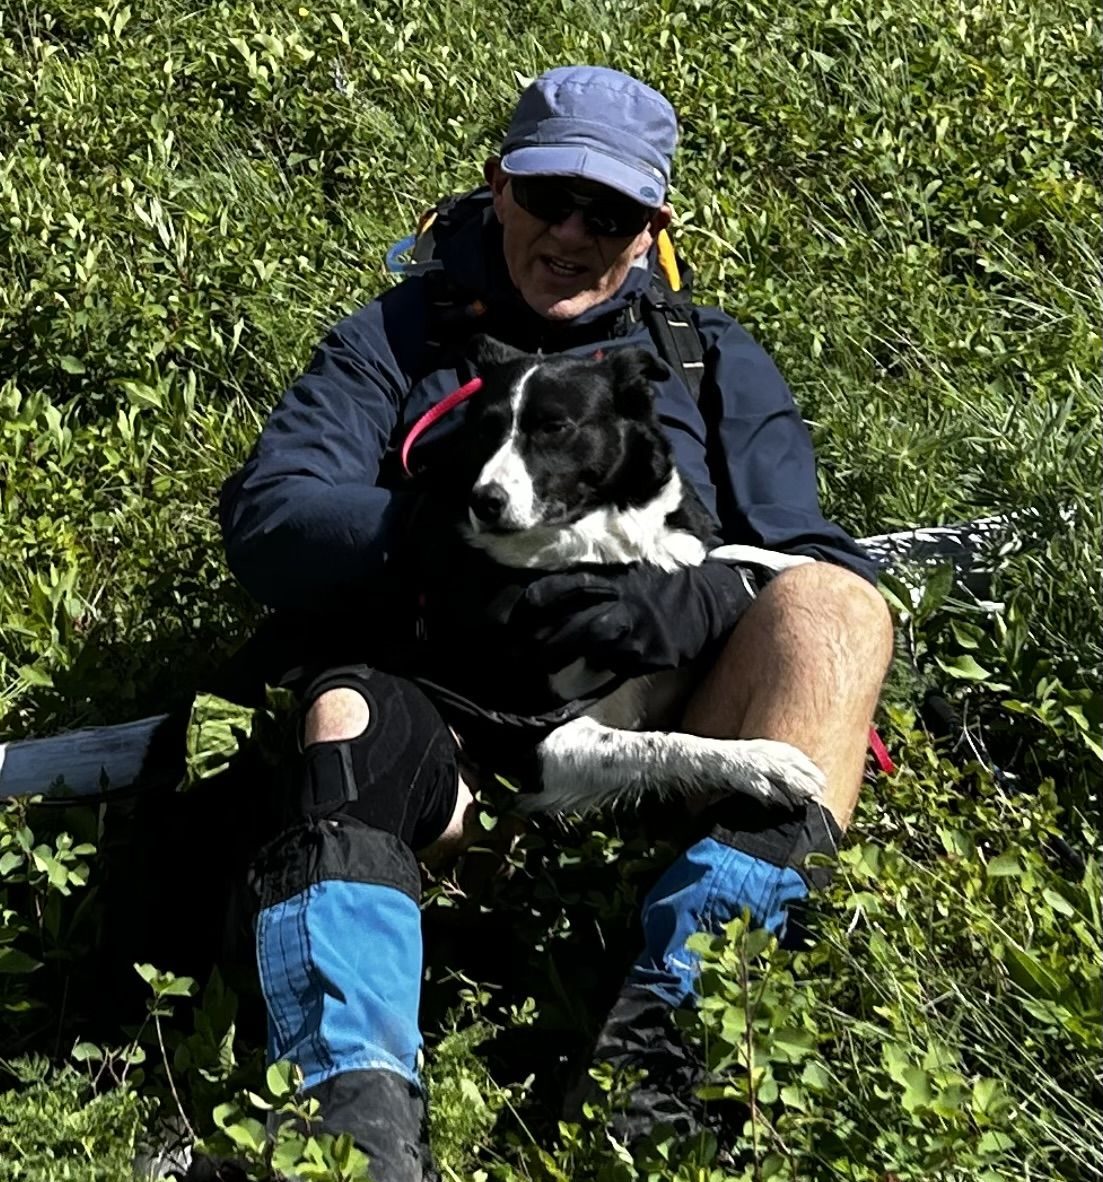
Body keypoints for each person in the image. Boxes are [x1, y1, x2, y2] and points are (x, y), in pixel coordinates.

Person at [217, 65, 893, 1179]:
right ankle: (354, 1120)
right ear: (496, 188)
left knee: (838, 612)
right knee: (342, 709)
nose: (574, 232)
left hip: (666, 712)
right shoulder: (394, 339)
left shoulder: (706, 353)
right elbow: (270, 521)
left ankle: (662, 1063)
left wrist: (677, 596)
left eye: (612, 211)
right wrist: (464, 546)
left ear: (651, 229)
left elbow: (805, 548)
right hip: (458, 742)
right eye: (549, 196)